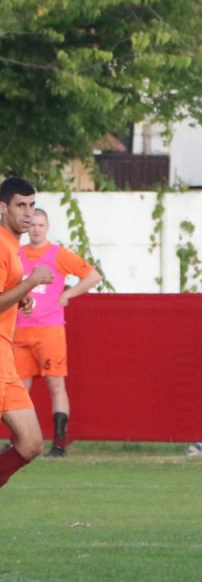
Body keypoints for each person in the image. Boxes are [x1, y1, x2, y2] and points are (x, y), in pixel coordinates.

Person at [15, 208, 102, 457]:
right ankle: (19, 440)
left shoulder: (58, 254)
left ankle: (59, 442)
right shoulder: (17, 253)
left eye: (40, 225)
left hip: (49, 329)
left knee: (55, 384)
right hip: (19, 329)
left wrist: (67, 295)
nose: (36, 229)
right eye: (32, 225)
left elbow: (92, 276)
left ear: (47, 227)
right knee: (19, 389)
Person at [0, 178, 56, 490]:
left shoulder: (11, 246)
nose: (28, 213)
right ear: (3, 207)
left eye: (32, 205)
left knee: (31, 442)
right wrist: (31, 282)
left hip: (5, 357)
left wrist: (20, 295)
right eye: (21, 205)